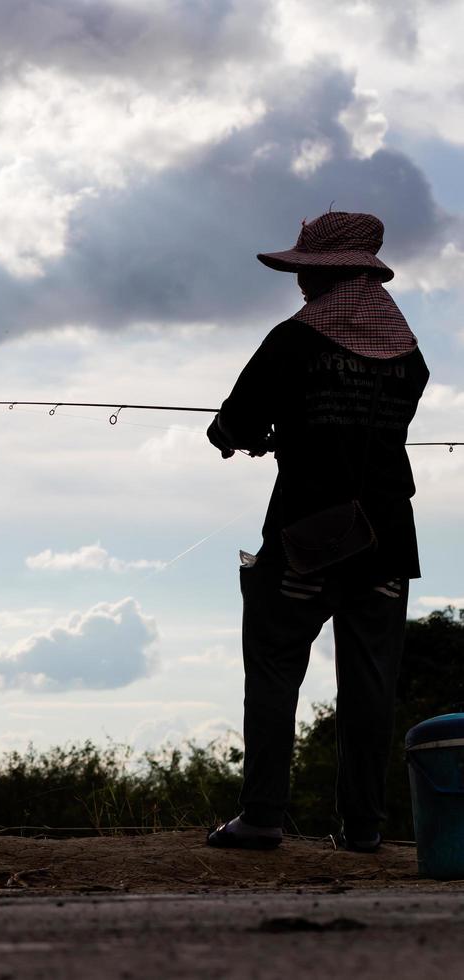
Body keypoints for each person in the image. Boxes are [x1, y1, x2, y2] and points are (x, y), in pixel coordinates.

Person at [205, 211, 428, 853]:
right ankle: (363, 829)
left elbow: (238, 423)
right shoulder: (410, 359)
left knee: (274, 666)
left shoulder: (294, 342)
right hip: (389, 540)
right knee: (371, 685)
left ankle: (264, 817)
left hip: (309, 535)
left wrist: (236, 438)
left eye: (308, 270)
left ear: (329, 274)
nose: (301, 281)